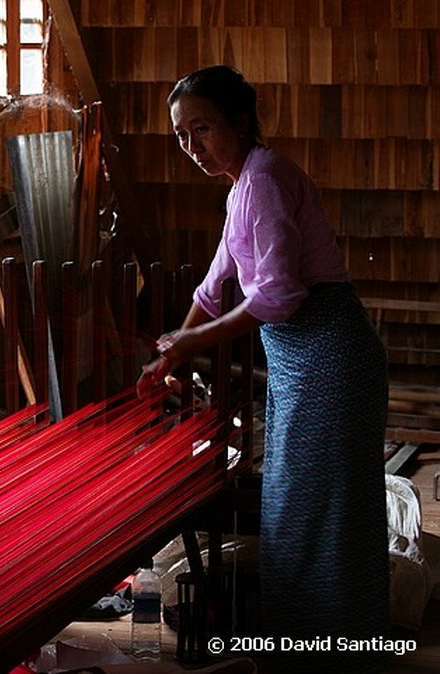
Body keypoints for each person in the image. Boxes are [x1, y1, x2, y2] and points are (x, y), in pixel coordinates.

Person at [138, 65, 389, 671]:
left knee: (320, 508)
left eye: (203, 129)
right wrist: (171, 348)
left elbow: (277, 295)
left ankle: (334, 653)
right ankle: (319, 647)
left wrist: (190, 345)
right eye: (181, 136)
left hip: (328, 353)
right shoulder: (241, 187)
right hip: (305, 359)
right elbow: (215, 282)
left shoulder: (265, 180)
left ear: (241, 122)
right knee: (303, 502)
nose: (193, 147)